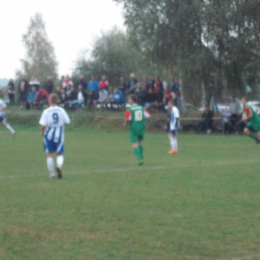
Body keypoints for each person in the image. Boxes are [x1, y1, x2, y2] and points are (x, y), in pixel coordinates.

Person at [39, 93, 70, 179]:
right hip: (59, 136)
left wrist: (42, 132)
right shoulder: (61, 110)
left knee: (49, 154)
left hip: (48, 136)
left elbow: (43, 125)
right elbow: (68, 122)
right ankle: (59, 166)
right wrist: (61, 123)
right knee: (59, 154)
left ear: (50, 100)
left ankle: (52, 174)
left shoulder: (46, 111)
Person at [124, 94, 150, 165]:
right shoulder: (142, 108)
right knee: (140, 143)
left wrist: (125, 123)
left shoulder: (129, 109)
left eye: (129, 99)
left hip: (134, 127)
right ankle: (141, 157)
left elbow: (127, 118)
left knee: (134, 144)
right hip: (142, 127)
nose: (128, 100)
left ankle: (139, 159)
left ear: (132, 100)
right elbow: (148, 115)